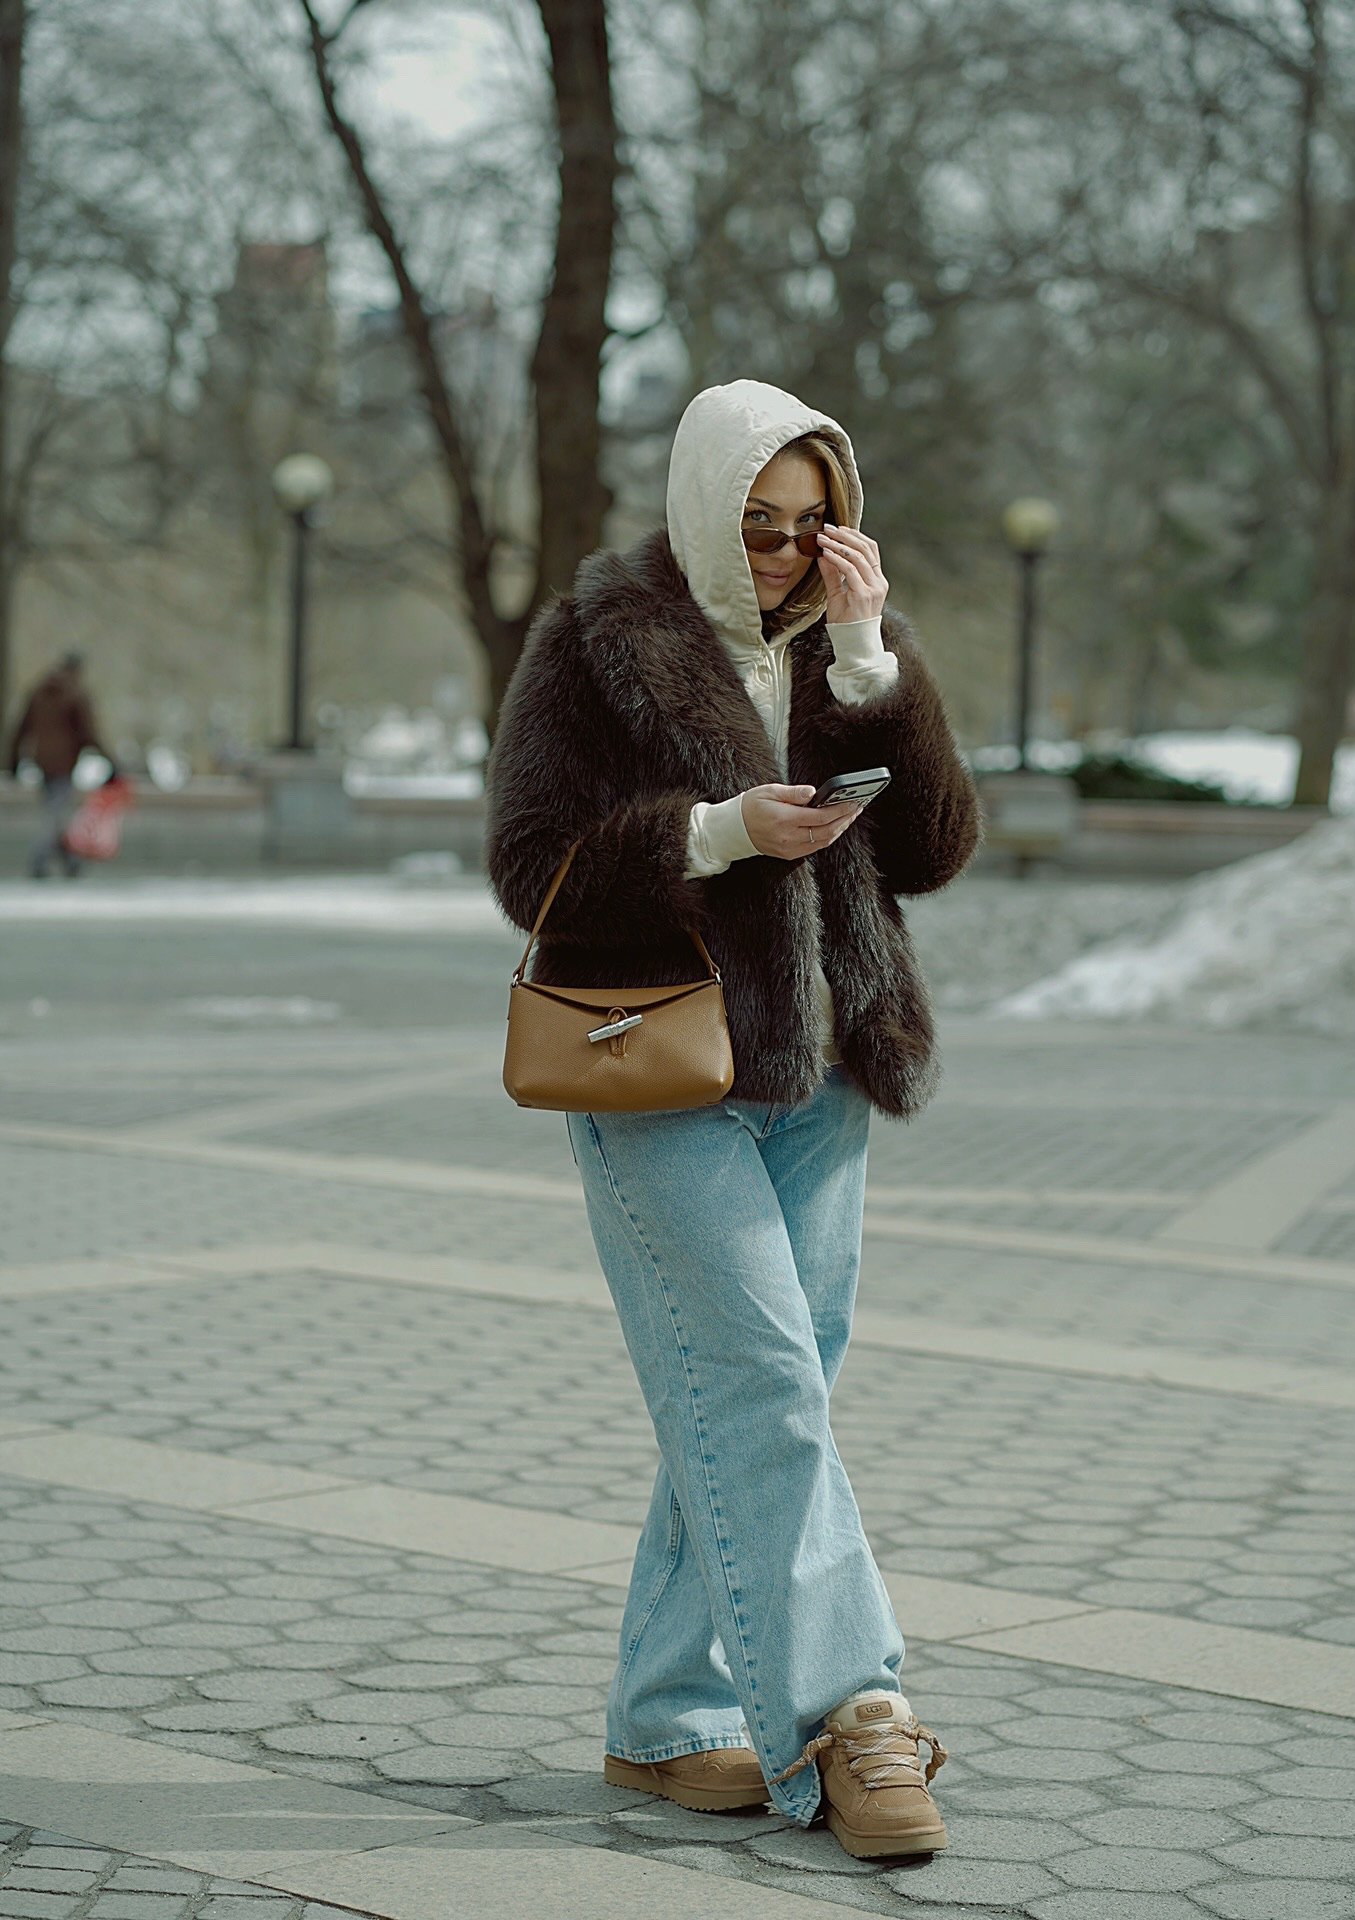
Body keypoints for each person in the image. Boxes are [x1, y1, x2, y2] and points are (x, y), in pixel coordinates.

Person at [486, 380, 979, 1859]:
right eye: (759, 525)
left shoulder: (838, 643)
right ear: (707, 505)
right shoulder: (596, 641)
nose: (779, 553)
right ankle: (856, 1717)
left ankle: (661, 1713)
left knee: (762, 1394)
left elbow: (938, 851)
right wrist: (717, 833)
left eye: (811, 526)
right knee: (759, 1382)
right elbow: (529, 864)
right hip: (659, 1065)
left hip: (824, 1080)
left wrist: (870, 657)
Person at [6, 653, 113, 879]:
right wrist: (111, 760)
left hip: (41, 759)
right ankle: (39, 859)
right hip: (64, 762)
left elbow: (21, 727)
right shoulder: (75, 694)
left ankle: (70, 859)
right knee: (54, 812)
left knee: (55, 809)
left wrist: (12, 761)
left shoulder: (39, 691)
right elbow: (88, 733)